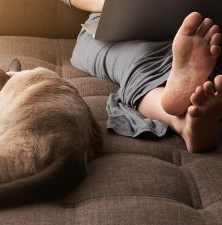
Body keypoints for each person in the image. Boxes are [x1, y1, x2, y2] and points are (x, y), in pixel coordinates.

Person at [62, 0, 222, 153]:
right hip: (115, 28)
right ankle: (182, 116)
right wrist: (115, 4)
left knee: (206, 49)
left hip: (199, 28)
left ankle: (185, 122)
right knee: (137, 59)